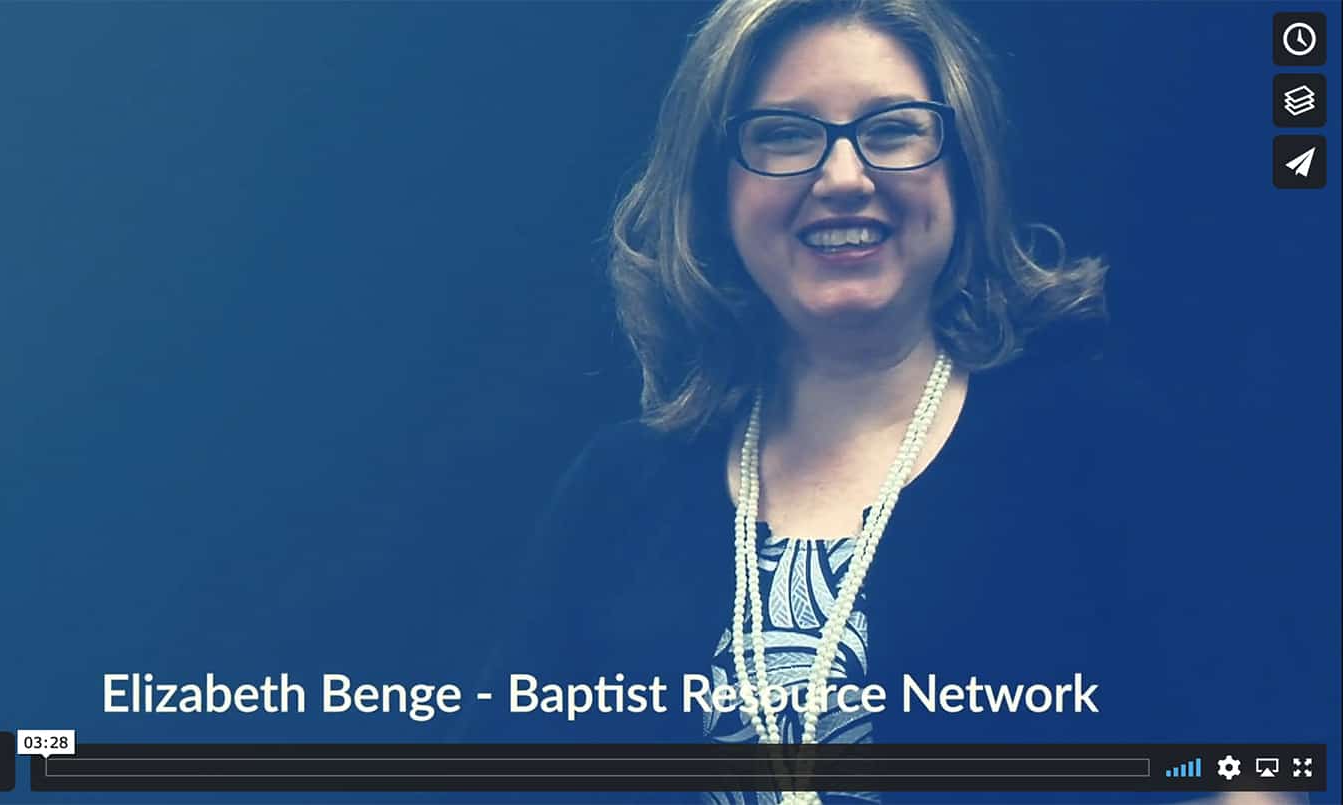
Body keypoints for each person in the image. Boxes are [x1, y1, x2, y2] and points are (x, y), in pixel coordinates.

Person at [479, 1, 1301, 803]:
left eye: (893, 129)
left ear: (964, 169)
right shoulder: (618, 491)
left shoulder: (1098, 447)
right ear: (715, 191)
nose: (844, 177)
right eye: (785, 135)